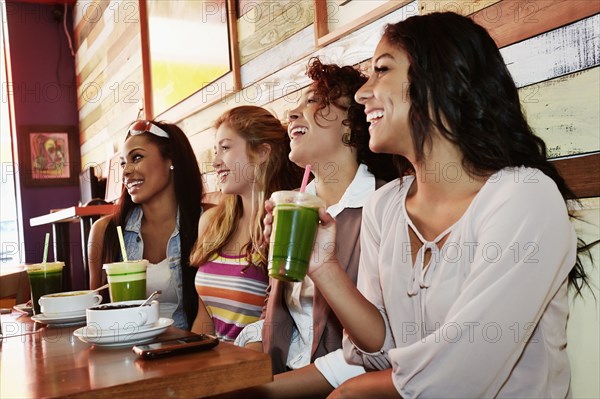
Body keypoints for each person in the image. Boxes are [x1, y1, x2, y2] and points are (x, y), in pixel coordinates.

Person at [264, 12, 593, 398]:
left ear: (439, 80)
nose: (362, 93)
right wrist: (323, 266)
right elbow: (380, 351)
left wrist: (351, 392)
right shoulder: (384, 206)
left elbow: (460, 377)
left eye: (382, 70)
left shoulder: (523, 196)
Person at [232, 58, 397, 398]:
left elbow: (382, 346)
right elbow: (279, 313)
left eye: (310, 102)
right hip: (284, 373)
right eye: (294, 105)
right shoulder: (293, 203)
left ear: (351, 123)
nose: (291, 113)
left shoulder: (384, 207)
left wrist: (263, 389)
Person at [189, 105, 303, 342]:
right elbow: (204, 319)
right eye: (215, 151)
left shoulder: (284, 224)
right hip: (214, 367)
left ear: (262, 153)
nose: (216, 162)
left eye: (226, 148)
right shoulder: (211, 222)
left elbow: (286, 329)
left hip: (258, 370)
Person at [88, 120, 202, 330]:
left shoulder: (207, 223)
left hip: (191, 352)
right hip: (127, 354)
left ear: (171, 160)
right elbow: (95, 311)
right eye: (123, 163)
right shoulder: (105, 232)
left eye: (137, 157)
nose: (126, 171)